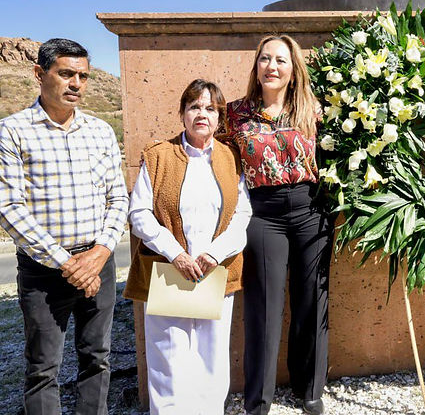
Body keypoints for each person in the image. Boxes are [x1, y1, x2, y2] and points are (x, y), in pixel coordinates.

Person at [0, 38, 129, 413]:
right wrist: (68, 263)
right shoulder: (12, 132)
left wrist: (101, 252)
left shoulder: (100, 131)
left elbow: (117, 198)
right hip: (44, 270)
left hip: (99, 265)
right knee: (43, 368)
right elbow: (9, 207)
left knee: (98, 358)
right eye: (66, 74)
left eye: (83, 76)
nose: (76, 84)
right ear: (40, 74)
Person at [123, 79, 251, 414]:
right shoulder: (158, 157)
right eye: (194, 106)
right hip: (170, 272)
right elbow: (139, 213)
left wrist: (213, 253)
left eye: (211, 108)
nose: (202, 114)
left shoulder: (230, 158)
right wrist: (175, 253)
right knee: (169, 356)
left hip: (214, 271)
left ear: (220, 117)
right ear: (182, 113)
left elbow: (242, 213)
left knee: (211, 355)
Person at [226, 35, 332, 415]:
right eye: (265, 59)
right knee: (264, 308)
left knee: (312, 301)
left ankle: (310, 389)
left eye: (281, 60)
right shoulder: (235, 113)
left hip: (310, 211)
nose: (272, 66)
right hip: (263, 214)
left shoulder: (313, 110)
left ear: (292, 69)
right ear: (256, 66)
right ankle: (258, 399)